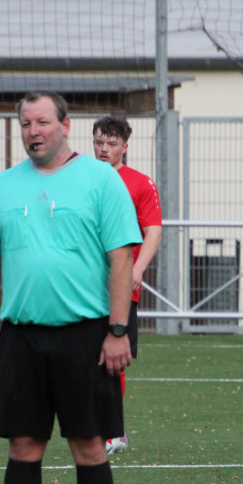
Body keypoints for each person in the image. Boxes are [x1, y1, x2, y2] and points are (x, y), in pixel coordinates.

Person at [0, 91, 141, 484]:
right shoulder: (2, 187)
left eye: (42, 121)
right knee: (23, 446)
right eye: (25, 123)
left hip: (86, 337)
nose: (32, 131)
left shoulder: (101, 180)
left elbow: (122, 260)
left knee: (89, 445)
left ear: (65, 125)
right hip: (21, 337)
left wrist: (117, 331)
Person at [92, 115, 162, 455]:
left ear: (124, 147)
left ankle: (113, 432)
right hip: (82, 286)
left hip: (120, 286)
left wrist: (137, 269)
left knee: (114, 357)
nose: (104, 149)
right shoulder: (81, 178)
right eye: (99, 142)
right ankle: (98, 428)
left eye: (111, 144)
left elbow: (153, 231)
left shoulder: (139, 183)